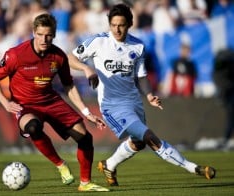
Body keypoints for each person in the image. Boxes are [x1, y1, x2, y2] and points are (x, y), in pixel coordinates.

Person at [68, 3, 216, 186]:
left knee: (138, 143)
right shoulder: (98, 41)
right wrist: (86, 68)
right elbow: (70, 57)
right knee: (149, 137)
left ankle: (109, 165)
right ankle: (193, 168)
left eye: (121, 24)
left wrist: (149, 95)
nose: (117, 29)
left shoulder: (137, 46)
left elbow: (141, 77)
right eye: (113, 25)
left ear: (129, 24)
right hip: (111, 105)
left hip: (134, 102)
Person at [0, 13, 109, 192]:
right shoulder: (16, 55)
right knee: (33, 127)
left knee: (85, 138)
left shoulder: (58, 57)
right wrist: (5, 103)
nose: (45, 39)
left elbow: (69, 86)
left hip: (51, 101)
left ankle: (85, 183)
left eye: (49, 35)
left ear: (54, 35)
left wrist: (86, 112)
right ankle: (60, 165)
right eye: (41, 34)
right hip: (25, 105)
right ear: (34, 33)